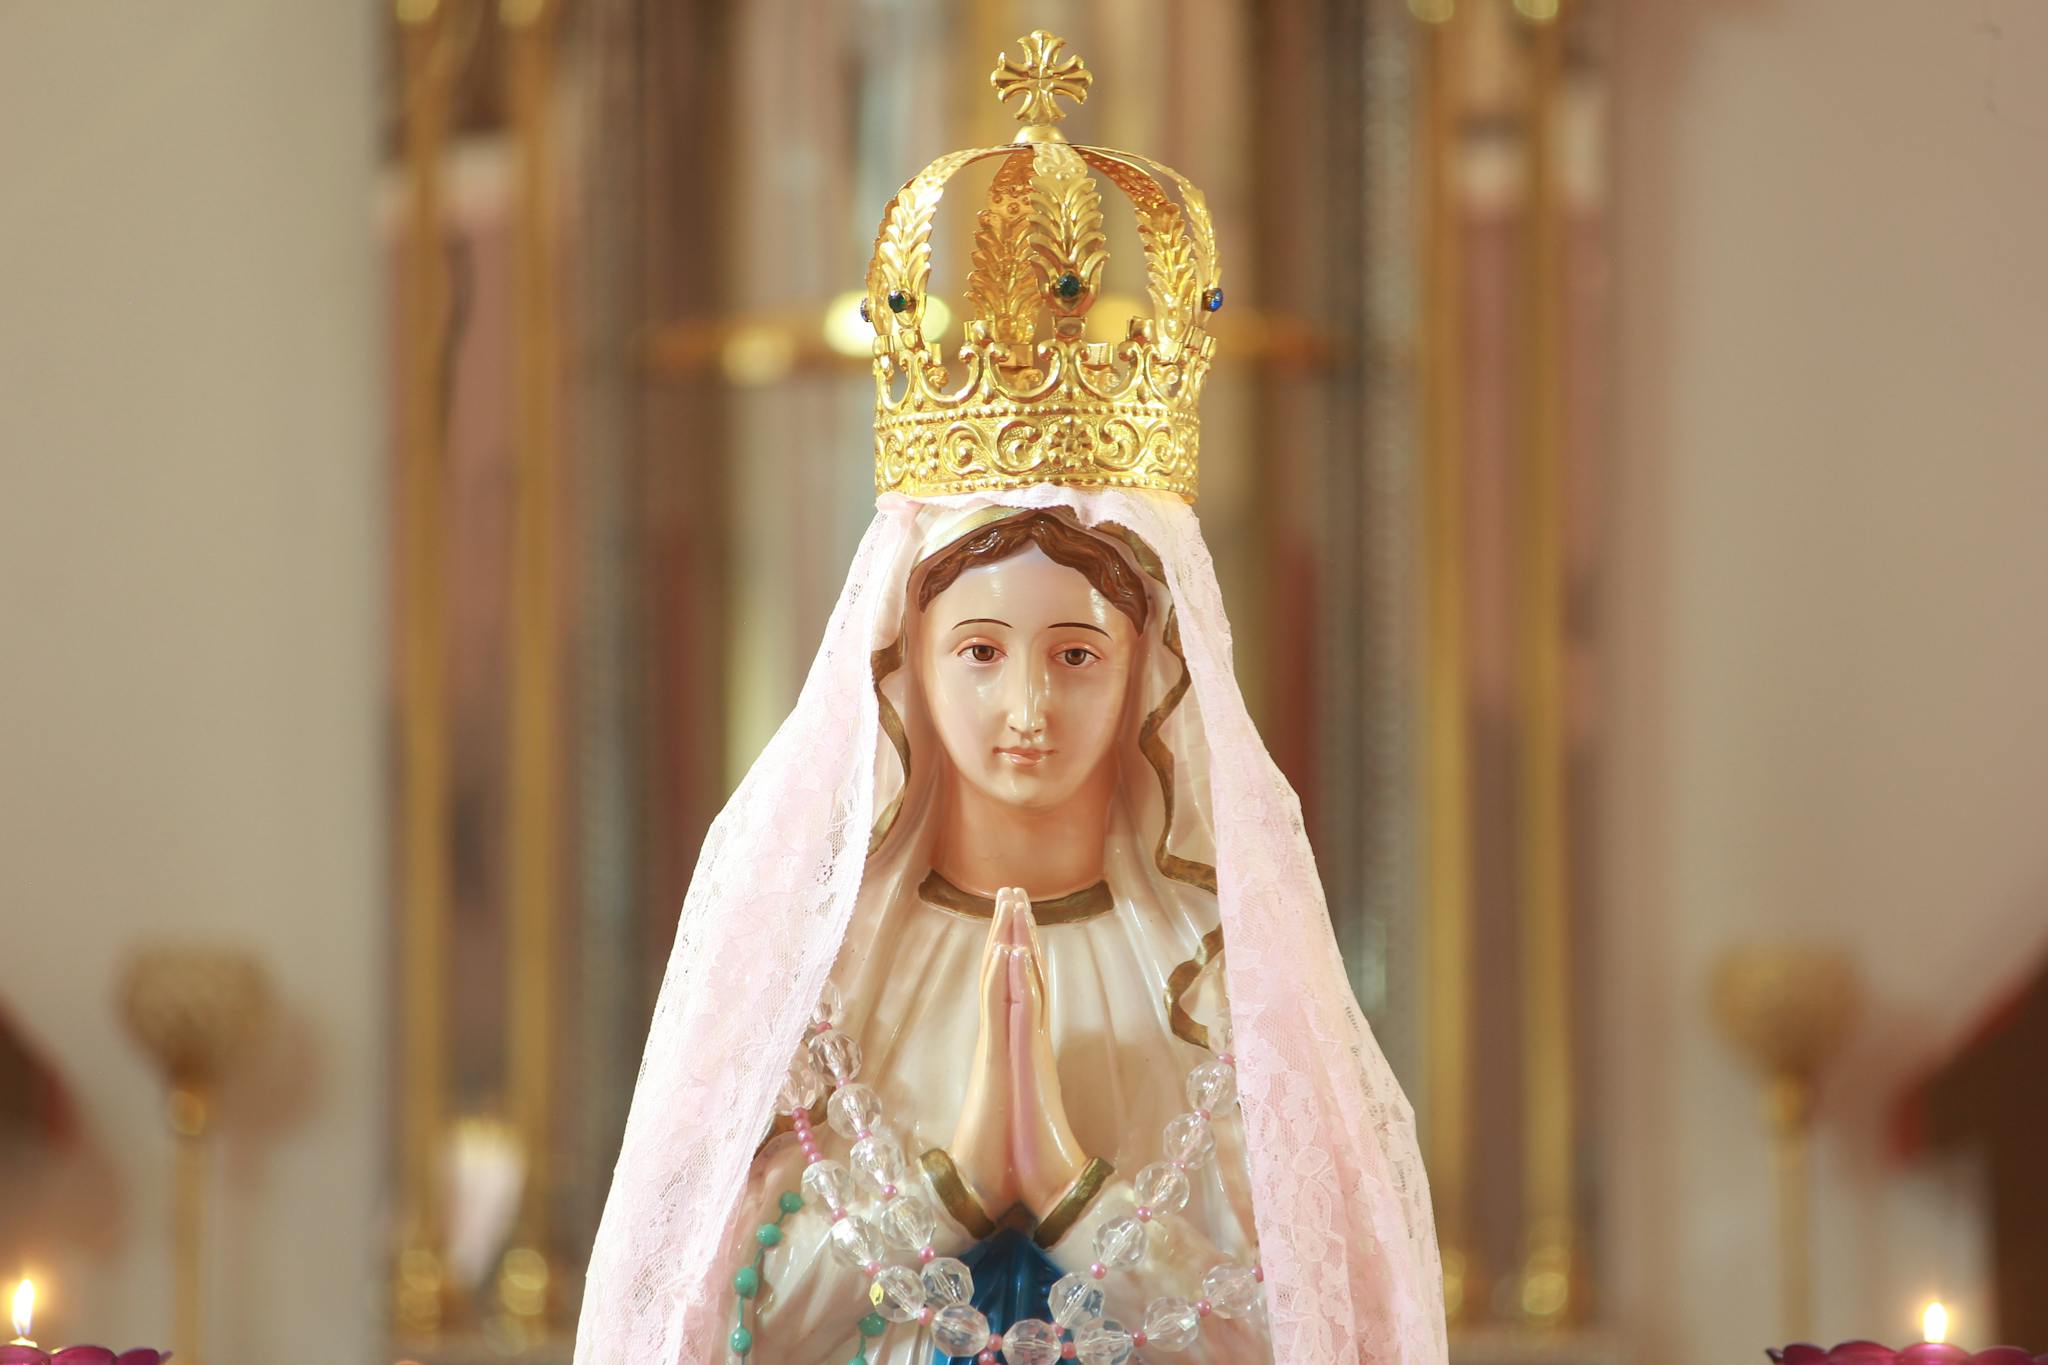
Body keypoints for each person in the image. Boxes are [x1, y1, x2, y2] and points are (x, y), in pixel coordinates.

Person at [576, 32, 1444, 1365]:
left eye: (1076, 654)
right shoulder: (825, 964)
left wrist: (1065, 1175)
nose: (1025, 701)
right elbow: (717, 1317)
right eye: (979, 651)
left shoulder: (1214, 973)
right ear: (901, 667)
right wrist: (967, 1169)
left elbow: (1300, 1319)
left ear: (1152, 670)